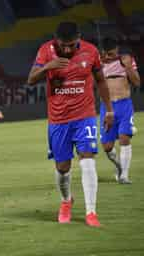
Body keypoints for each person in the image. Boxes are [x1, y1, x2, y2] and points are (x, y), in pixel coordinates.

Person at [27, 22, 114, 227]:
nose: (66, 49)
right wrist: (49, 66)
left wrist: (108, 109)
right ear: (56, 39)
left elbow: (100, 81)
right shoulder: (45, 51)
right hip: (59, 119)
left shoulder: (91, 51)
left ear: (79, 38)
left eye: (71, 45)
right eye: (62, 45)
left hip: (85, 115)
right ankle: (66, 201)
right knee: (62, 167)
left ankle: (91, 212)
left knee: (87, 158)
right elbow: (31, 79)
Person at [99, 37, 140, 184]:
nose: (112, 56)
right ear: (103, 52)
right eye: (108, 54)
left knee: (124, 138)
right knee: (107, 146)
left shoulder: (126, 60)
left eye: (114, 52)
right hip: (107, 106)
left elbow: (136, 82)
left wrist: (128, 67)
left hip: (124, 105)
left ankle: (124, 176)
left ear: (117, 49)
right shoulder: (98, 63)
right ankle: (119, 167)